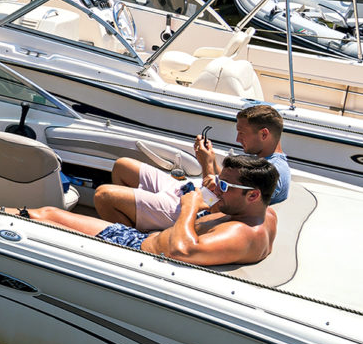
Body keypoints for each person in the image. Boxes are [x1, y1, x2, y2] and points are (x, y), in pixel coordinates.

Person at [24, 154, 279, 266]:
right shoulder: (264, 214)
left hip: (135, 250)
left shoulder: (243, 233)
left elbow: (182, 251)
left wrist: (189, 207)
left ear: (253, 195)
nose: (218, 189)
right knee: (47, 213)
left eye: (224, 185)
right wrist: (213, 195)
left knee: (45, 215)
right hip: (145, 239)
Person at [94, 103, 291, 232]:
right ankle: (140, 219)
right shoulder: (265, 161)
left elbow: (221, 205)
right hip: (192, 192)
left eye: (242, 133)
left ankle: (135, 242)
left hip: (194, 209)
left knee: (103, 196)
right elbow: (226, 185)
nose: (237, 139)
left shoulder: (273, 176)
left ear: (264, 134)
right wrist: (210, 159)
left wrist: (206, 166)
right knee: (122, 166)